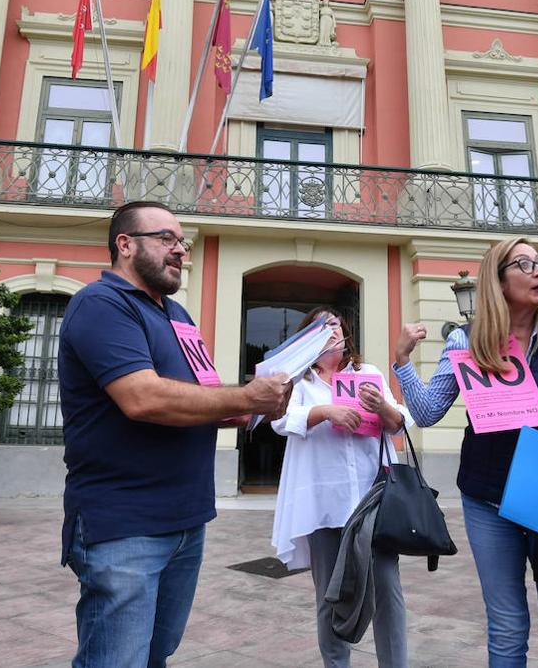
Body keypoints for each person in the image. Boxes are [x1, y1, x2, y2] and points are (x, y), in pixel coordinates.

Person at [58, 200, 291, 668]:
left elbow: (196, 398)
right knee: (115, 661)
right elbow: (143, 398)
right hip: (125, 523)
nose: (180, 250)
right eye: (166, 238)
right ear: (125, 245)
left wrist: (247, 410)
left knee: (154, 655)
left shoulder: (179, 315)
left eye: (181, 242)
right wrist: (246, 397)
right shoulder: (102, 304)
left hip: (186, 518)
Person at [393, 237, 538, 668]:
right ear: (498, 278)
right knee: (507, 627)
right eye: (525, 265)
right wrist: (402, 362)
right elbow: (429, 412)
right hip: (488, 500)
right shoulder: (464, 342)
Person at [270, 306, 413, 668]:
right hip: (323, 502)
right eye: (321, 326)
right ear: (308, 336)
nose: (331, 330)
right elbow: (280, 420)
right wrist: (325, 412)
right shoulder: (298, 381)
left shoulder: (368, 373)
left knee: (386, 592)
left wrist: (382, 406)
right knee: (331, 597)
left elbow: (399, 423)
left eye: (335, 324)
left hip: (372, 502)